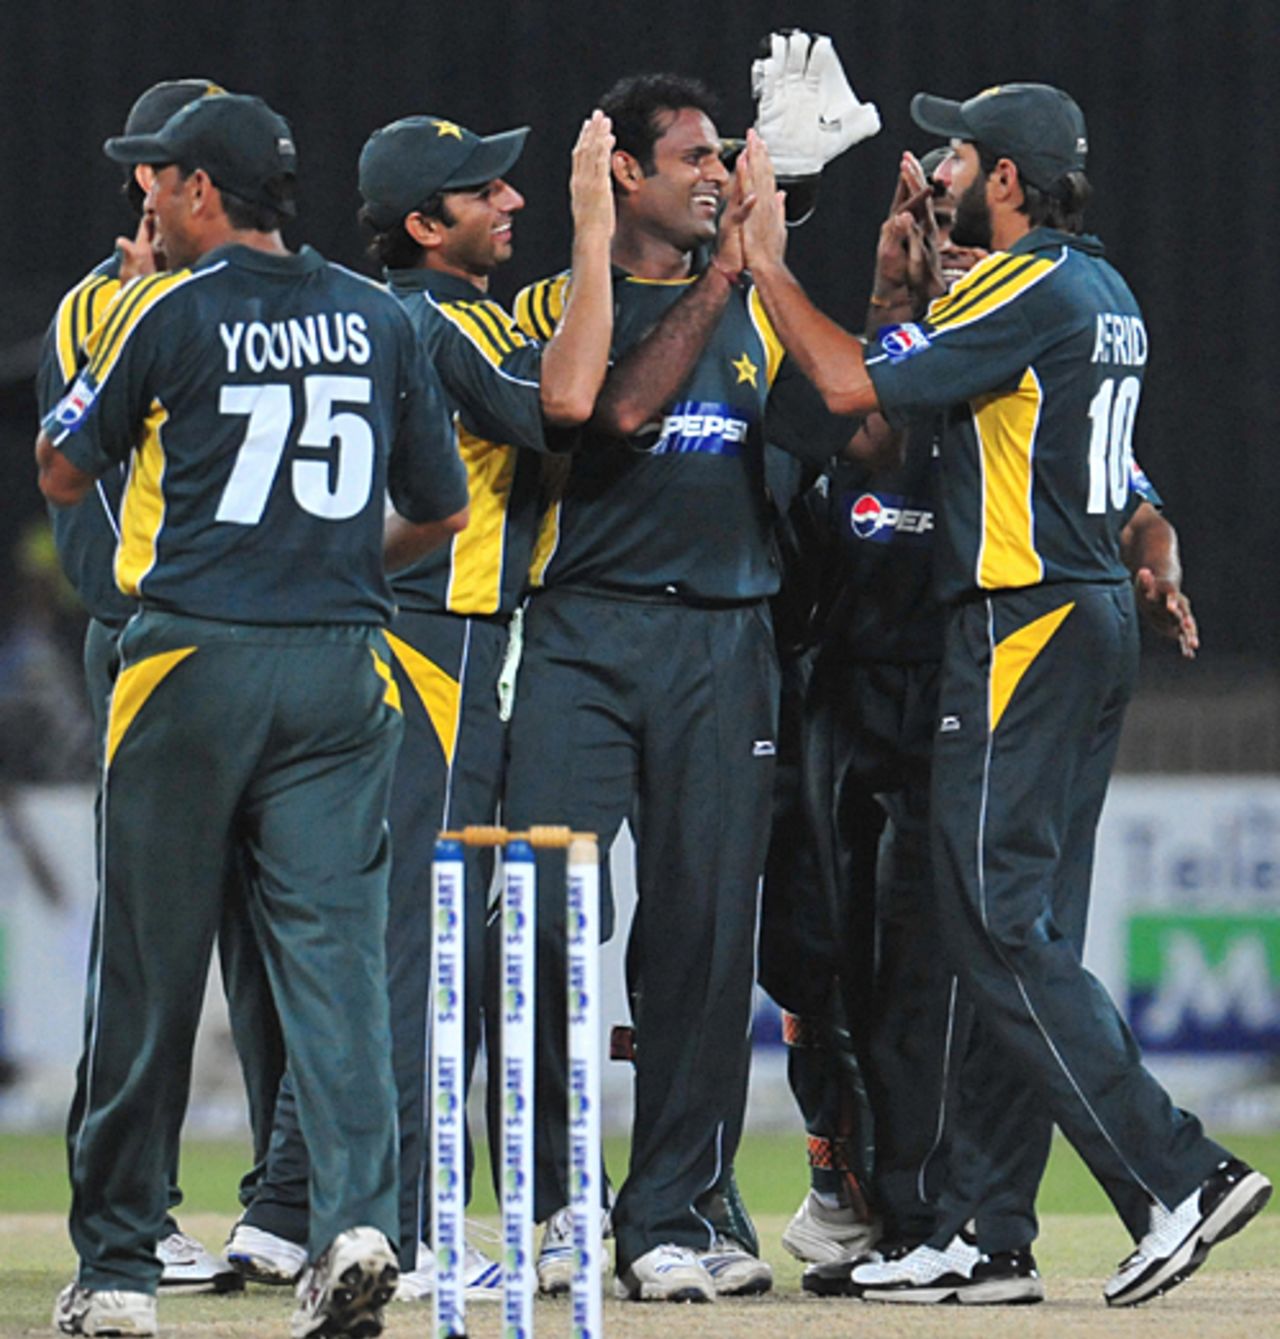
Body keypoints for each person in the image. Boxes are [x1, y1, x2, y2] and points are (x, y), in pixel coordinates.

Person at [736, 82, 1270, 1307]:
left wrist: (765, 261)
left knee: (990, 923)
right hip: (1081, 616)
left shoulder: (1018, 286)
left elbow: (847, 389)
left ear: (1008, 181)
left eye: (956, 156)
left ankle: (1175, 1176)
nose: (936, 173)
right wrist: (1152, 546)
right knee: (1011, 931)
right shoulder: (1099, 288)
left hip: (1020, 622)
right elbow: (1046, 443)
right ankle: (985, 1226)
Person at [36, 92, 469, 1339]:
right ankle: (358, 1227)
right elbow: (440, 509)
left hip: (192, 658)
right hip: (342, 666)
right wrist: (319, 568)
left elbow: (61, 466)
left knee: (150, 965)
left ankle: (118, 1267)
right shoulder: (377, 316)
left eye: (158, 179)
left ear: (200, 192)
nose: (147, 199)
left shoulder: (162, 309)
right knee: (337, 967)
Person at [227, 108, 616, 1302]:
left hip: (361, 639)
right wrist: (594, 228)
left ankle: (286, 1208)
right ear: (422, 226)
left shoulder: (358, 311)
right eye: (480, 189)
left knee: (361, 932)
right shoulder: (437, 321)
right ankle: (399, 1226)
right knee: (414, 941)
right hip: (436, 643)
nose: (509, 199)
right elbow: (565, 402)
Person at [506, 70, 859, 1304]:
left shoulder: (756, 305)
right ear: (624, 172)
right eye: (693, 158)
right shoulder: (556, 302)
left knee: (703, 940)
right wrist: (724, 278)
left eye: (723, 157)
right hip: (582, 635)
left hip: (724, 640)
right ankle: (553, 1202)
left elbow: (846, 427)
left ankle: (665, 1216)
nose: (716, 176)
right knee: (546, 922)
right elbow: (610, 411)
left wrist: (799, 272)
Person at [35, 76, 285, 1300]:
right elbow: (83, 457)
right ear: (152, 180)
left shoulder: (244, 302)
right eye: (165, 165)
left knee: (278, 938)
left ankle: (286, 1203)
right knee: (150, 942)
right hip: (146, 640)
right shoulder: (108, 304)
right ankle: (129, 1215)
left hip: (258, 640)